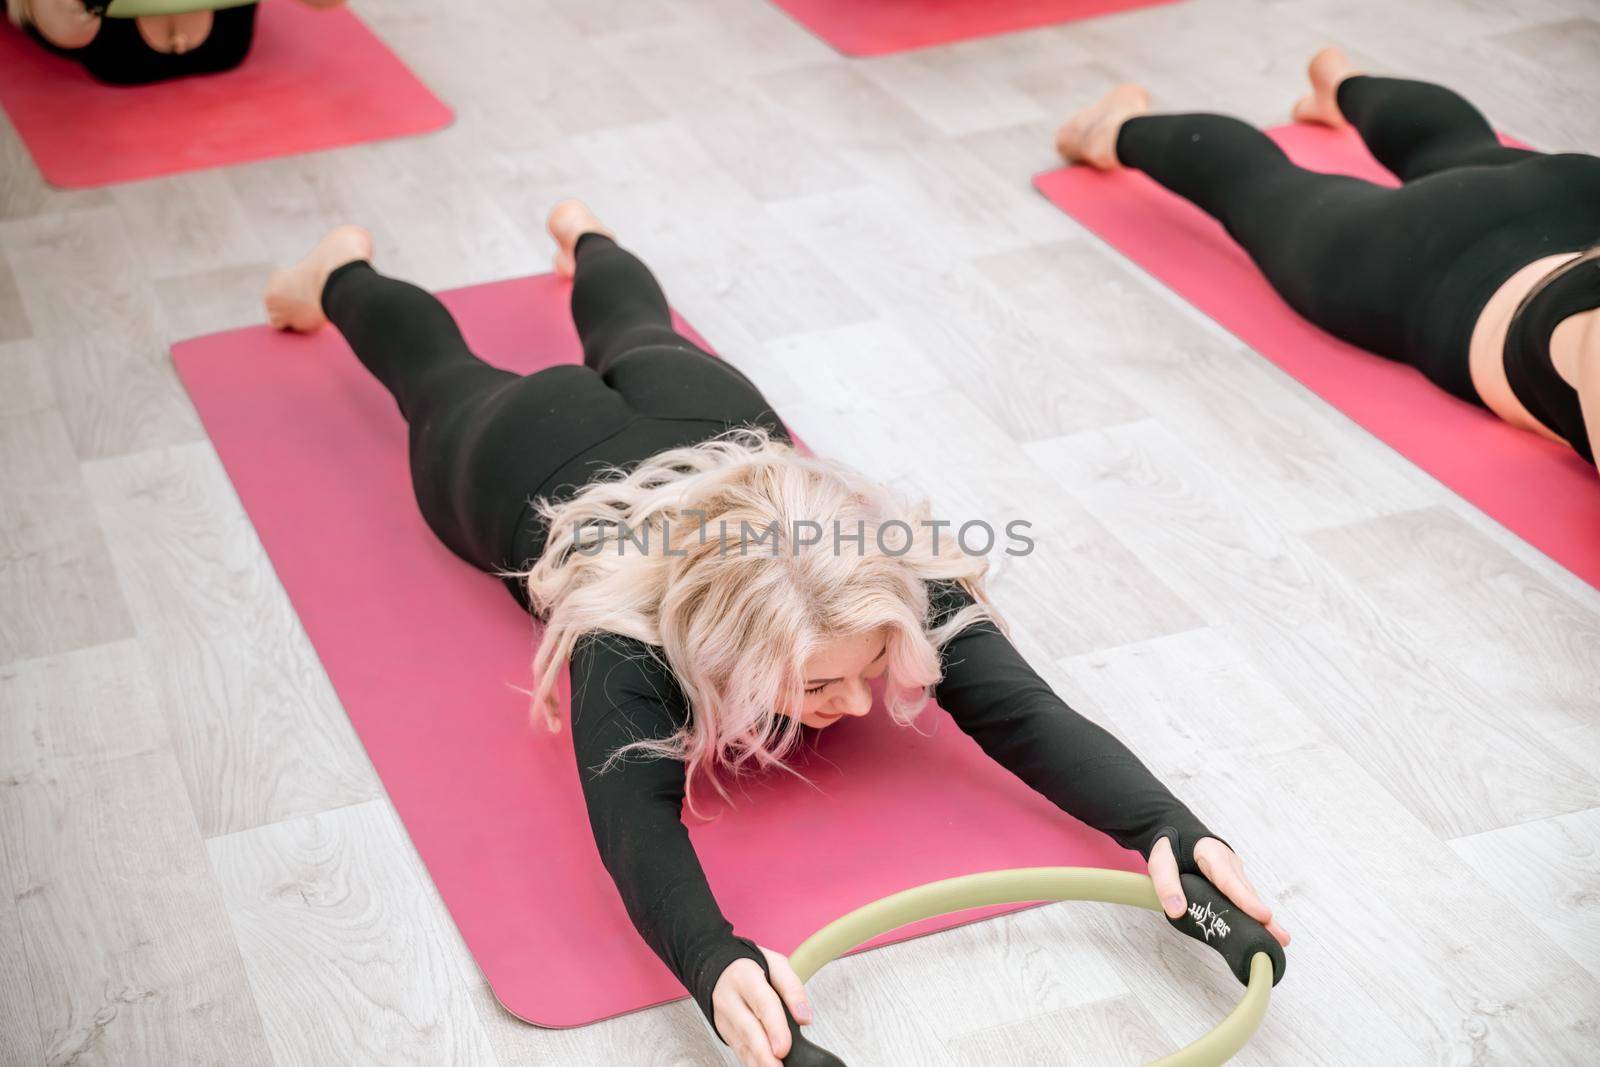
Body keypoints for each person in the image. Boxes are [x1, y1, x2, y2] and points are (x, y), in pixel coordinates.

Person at [262, 202, 1291, 1067]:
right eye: (813, 686)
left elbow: (1024, 712)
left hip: (708, 419)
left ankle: (586, 237)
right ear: (723, 655)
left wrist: (1165, 826)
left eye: (865, 670)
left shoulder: (880, 570)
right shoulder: (631, 637)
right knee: (433, 372)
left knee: (634, 324)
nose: (851, 709)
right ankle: (344, 268)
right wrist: (713, 957)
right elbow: (632, 822)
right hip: (529, 449)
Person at [1055, 46, 1600, 468]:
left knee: (1460, 150)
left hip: (1573, 193)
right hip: (1441, 258)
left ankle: (1342, 83)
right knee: (1262, 191)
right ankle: (1110, 129)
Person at [5, 0, 344, 85]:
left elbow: (328, 2)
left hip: (223, 43)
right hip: (94, 36)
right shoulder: (76, 20)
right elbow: (66, 30)